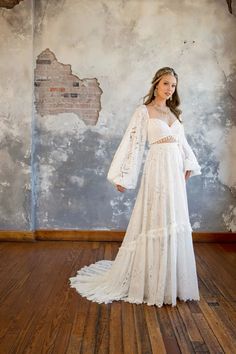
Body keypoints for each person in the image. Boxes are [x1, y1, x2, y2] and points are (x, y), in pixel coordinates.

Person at [69, 67, 201, 307]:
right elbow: (133, 144)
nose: (169, 89)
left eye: (173, 85)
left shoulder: (173, 113)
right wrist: (123, 176)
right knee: (156, 218)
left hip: (175, 170)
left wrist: (189, 164)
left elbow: (182, 142)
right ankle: (151, 281)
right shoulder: (144, 112)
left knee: (173, 219)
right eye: (165, 84)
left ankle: (171, 281)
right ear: (156, 85)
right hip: (158, 167)